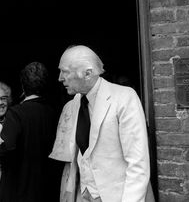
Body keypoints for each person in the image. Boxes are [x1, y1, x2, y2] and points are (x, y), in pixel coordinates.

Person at [49, 45, 152, 202]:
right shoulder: (76, 101)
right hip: (83, 194)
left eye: (65, 71)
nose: (60, 78)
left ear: (88, 73)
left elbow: (138, 162)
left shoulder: (124, 97)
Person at [0, 62, 60, 202]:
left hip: (19, 185)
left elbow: (8, 149)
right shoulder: (54, 111)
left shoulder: (16, 113)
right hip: (47, 186)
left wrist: (0, 154)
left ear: (23, 85)